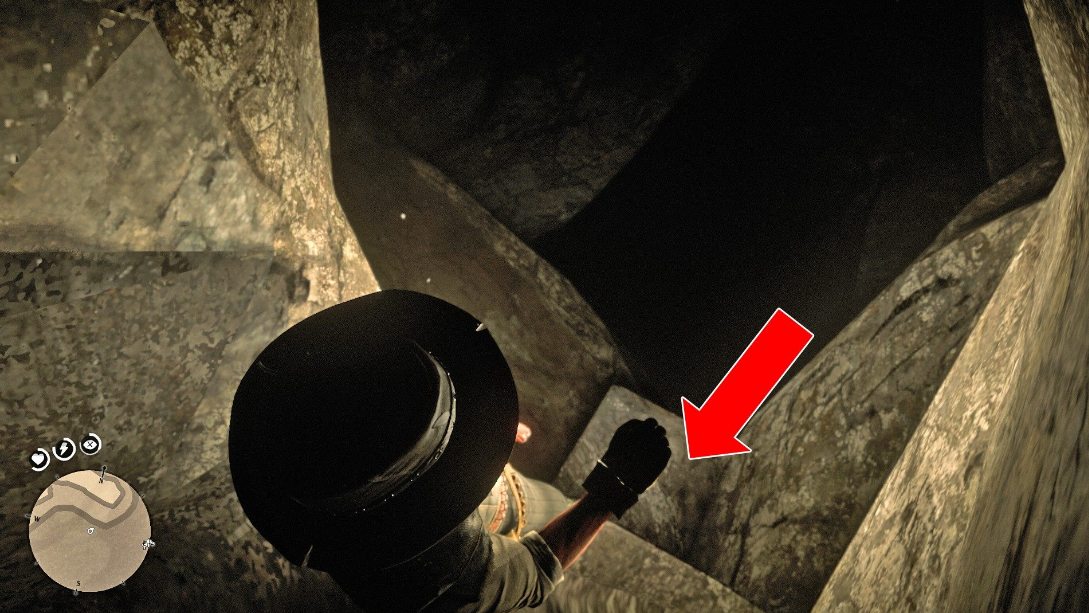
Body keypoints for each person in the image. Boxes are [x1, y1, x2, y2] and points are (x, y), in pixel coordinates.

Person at [229, 290, 671, 612]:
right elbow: (536, 571)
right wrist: (610, 491)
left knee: (550, 505)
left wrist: (476, 431)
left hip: (508, 502)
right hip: (499, 556)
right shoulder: (434, 574)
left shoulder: (297, 427)